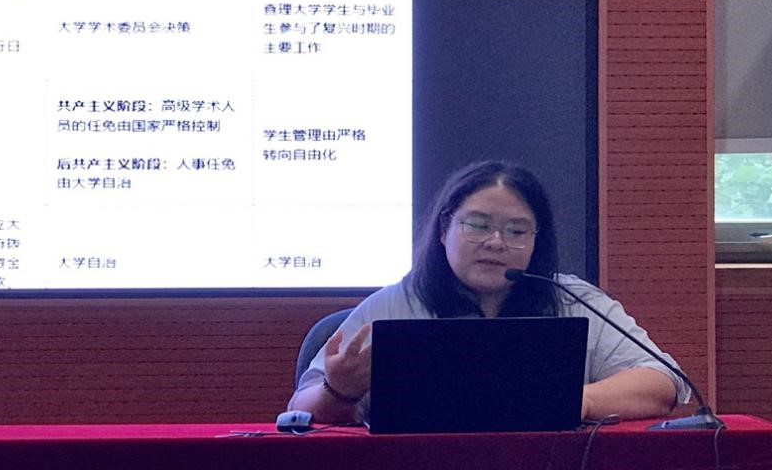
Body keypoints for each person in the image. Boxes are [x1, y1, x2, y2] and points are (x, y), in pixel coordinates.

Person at [288, 160, 690, 424]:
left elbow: (661, 383)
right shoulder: (394, 305)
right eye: (478, 225)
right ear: (444, 230)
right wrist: (338, 391)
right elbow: (299, 412)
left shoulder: (572, 300)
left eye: (516, 230)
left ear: (536, 241)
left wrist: (575, 400)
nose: (496, 242)